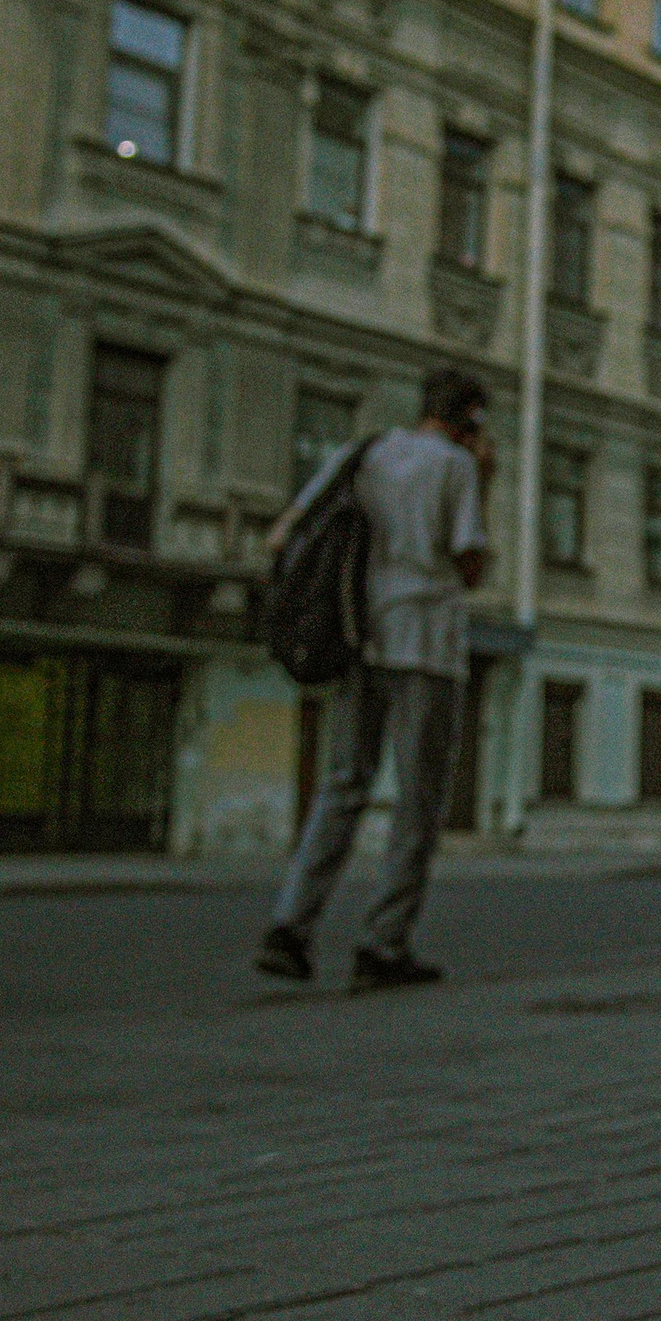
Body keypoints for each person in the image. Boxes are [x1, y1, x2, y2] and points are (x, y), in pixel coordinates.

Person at [259, 367, 492, 987]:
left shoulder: (363, 451)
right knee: (418, 799)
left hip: (357, 635)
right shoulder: (456, 466)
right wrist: (485, 478)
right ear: (470, 419)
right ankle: (382, 944)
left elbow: (284, 533)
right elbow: (469, 564)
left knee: (342, 785)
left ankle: (290, 926)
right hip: (426, 646)